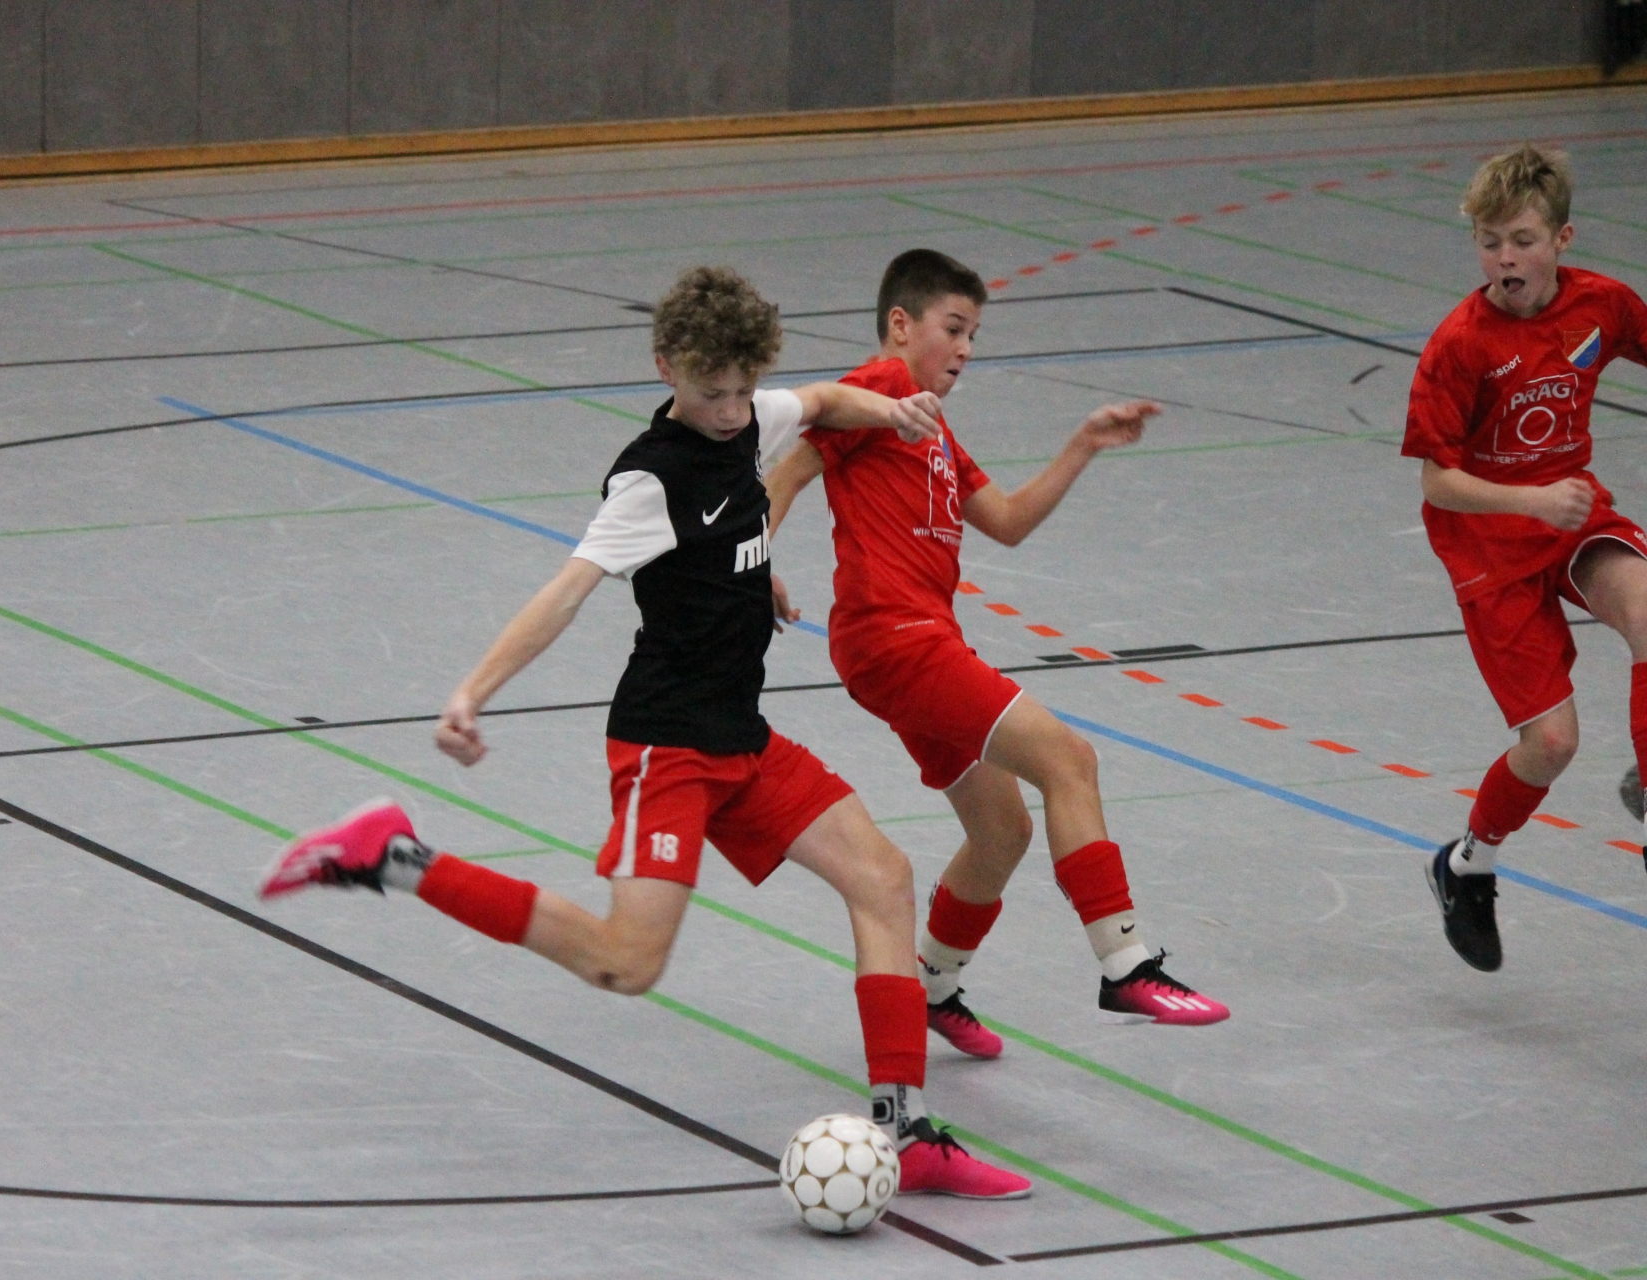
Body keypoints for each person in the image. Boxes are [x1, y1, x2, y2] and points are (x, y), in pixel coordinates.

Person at [258, 265, 1031, 1198]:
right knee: (624, 965)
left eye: (745, 390)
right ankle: (395, 856)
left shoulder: (753, 416)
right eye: (713, 394)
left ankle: (902, 1125)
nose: (733, 412)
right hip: (669, 748)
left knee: (883, 877)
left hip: (743, 737)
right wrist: (472, 691)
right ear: (668, 367)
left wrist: (892, 415)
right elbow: (566, 592)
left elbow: (826, 401)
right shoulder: (647, 481)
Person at [765, 249, 1229, 1057]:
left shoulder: (931, 425)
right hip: (895, 638)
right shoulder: (876, 388)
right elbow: (787, 473)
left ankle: (935, 985)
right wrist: (755, 564)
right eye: (954, 328)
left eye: (974, 334)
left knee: (1001, 830)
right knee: (1069, 761)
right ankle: (1126, 963)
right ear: (901, 325)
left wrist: (1083, 444)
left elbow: (1007, 520)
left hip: (912, 643)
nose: (966, 349)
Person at [1402, 145, 1647, 972]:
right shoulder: (1460, 345)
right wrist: (1531, 501)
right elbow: (1438, 483)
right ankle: (1468, 864)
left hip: (1574, 518)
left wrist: (1555, 506)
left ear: (1561, 240)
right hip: (1490, 543)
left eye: (1521, 240)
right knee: (1552, 744)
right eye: (1489, 243)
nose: (1504, 258)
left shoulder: (1601, 306)